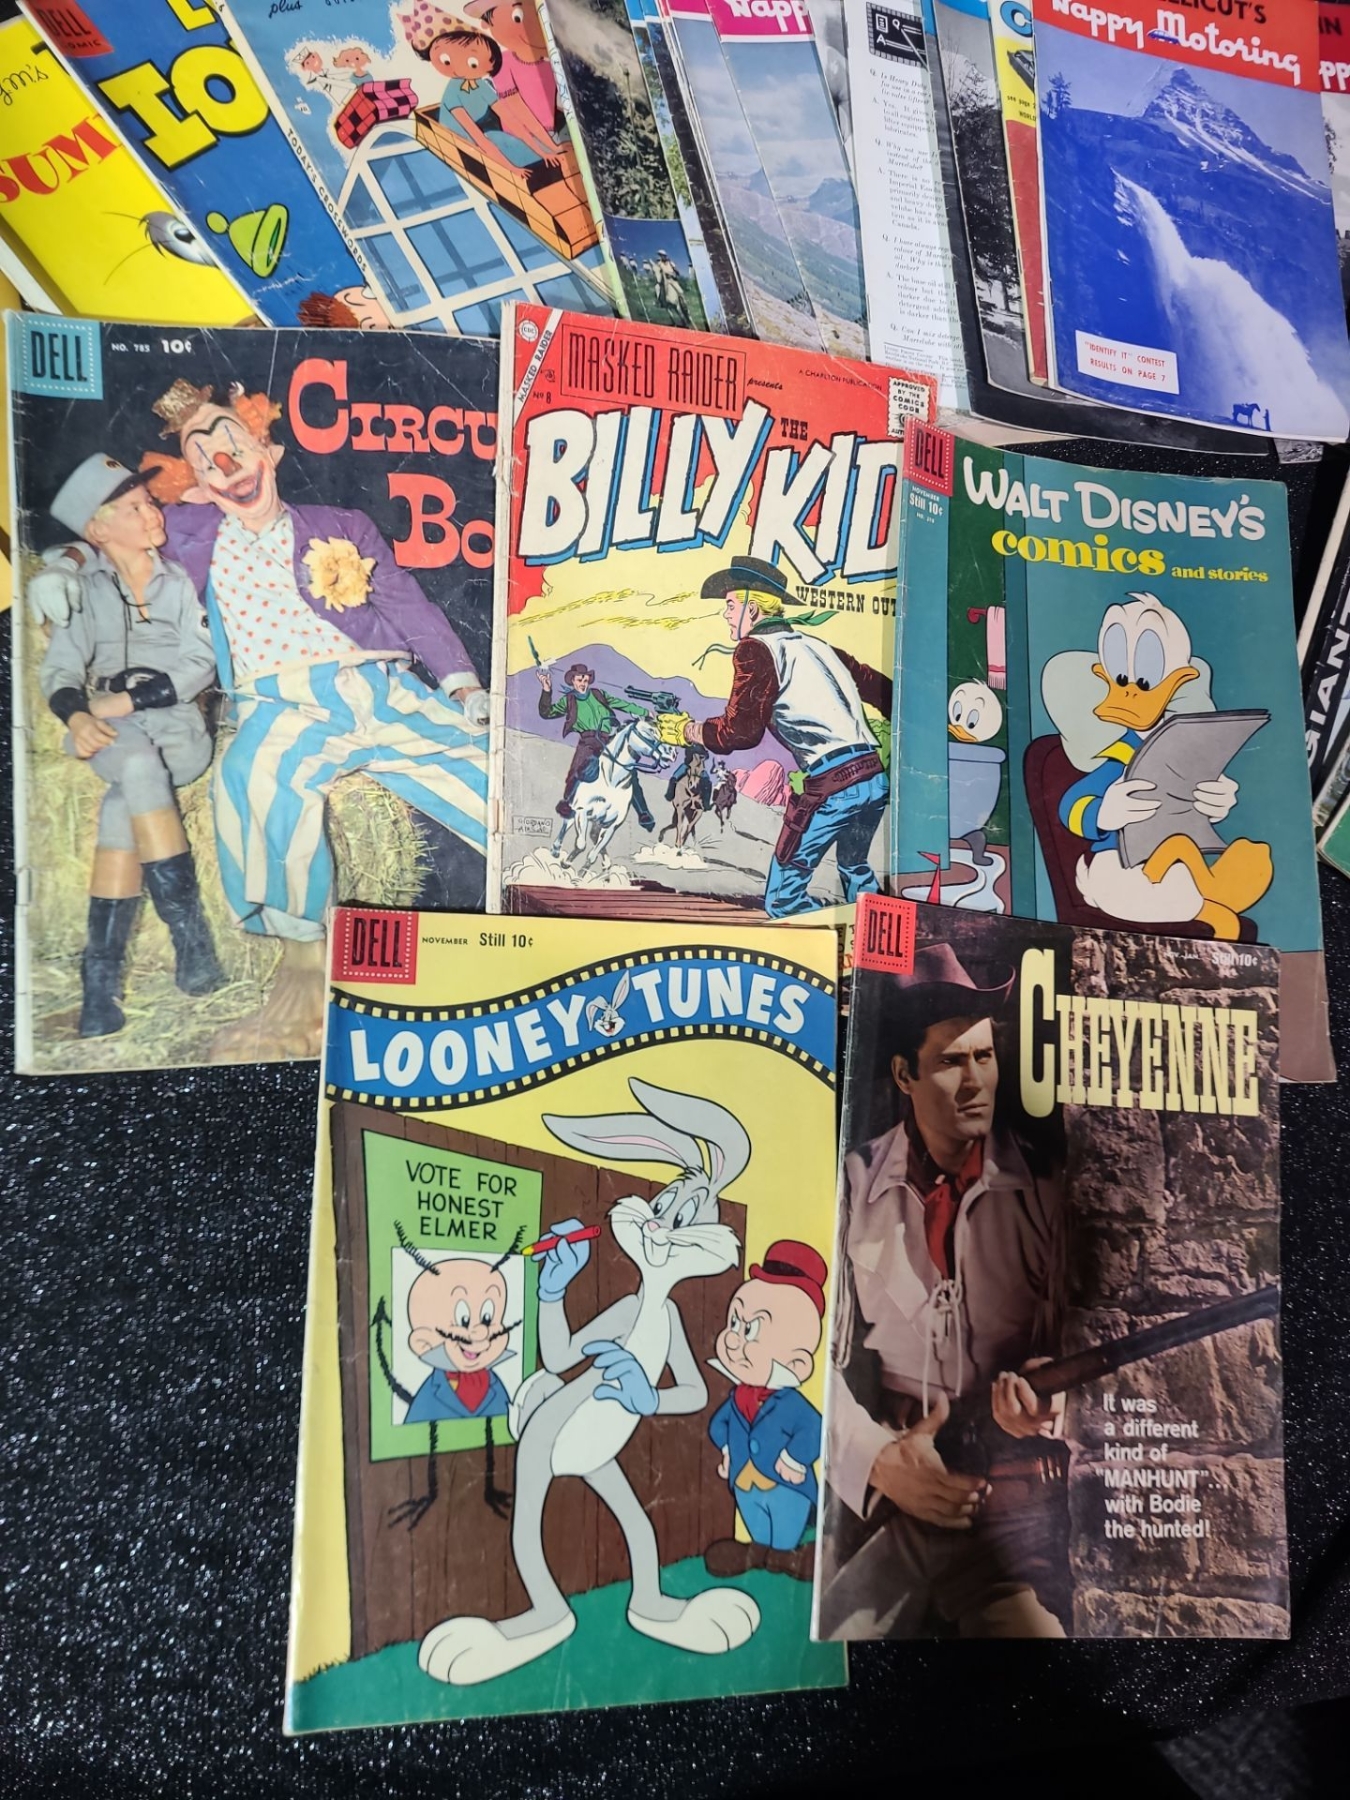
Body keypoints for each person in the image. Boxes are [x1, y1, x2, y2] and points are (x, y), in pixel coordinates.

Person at [28, 380, 490, 1064]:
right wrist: (62, 564)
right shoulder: (188, 532)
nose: (225, 463)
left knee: (486, 764)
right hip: (279, 701)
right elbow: (113, 533)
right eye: (204, 456)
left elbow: (407, 605)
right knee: (251, 775)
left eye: (233, 444)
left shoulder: (342, 524)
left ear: (267, 450)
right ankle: (303, 963)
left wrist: (462, 685)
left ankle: (568, 880)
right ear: (195, 483)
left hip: (379, 685)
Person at [819, 942, 1068, 1639]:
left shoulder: (1042, 1190)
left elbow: (1087, 1351)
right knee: (834, 1650)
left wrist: (1049, 1404)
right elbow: (800, 1357)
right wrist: (874, 1458)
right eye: (952, 1062)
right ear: (904, 1074)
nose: (975, 1082)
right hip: (884, 1502)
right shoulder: (852, 1187)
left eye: (984, 1057)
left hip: (1006, 1510)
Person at [36, 454, 225, 1038]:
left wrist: (119, 704)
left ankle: (100, 985)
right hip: (118, 739)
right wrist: (75, 716)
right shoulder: (82, 591)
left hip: (178, 729)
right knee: (136, 768)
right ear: (99, 530)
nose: (152, 513)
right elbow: (60, 671)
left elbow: (201, 662)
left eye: (149, 503)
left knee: (127, 796)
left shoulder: (179, 580)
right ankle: (190, 947)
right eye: (136, 508)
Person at [660, 555, 890, 917]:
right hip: (873, 778)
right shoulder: (819, 646)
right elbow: (886, 692)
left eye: (730, 605)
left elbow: (741, 731)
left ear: (752, 609)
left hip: (834, 785)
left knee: (784, 900)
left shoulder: (755, 649)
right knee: (855, 869)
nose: (725, 614)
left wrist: (687, 730)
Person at [704, 1240, 826, 1582]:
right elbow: (719, 1424)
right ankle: (761, 1553)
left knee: (784, 1528)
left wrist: (794, 1459)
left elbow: (815, 1429)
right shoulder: (737, 1397)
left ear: (798, 1363)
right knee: (758, 1524)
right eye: (734, 1323)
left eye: (751, 1330)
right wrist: (727, 1448)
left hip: (785, 1485)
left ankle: (783, 1554)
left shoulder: (791, 1403)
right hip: (744, 1482)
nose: (732, 1340)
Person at [536, 662, 655, 829]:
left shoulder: (598, 694)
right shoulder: (569, 700)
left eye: (585, 680)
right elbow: (546, 713)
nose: (583, 683)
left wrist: (643, 712)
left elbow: (621, 703)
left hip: (609, 739)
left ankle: (643, 812)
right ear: (573, 681)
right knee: (576, 770)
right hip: (588, 742)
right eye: (579, 680)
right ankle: (569, 803)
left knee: (628, 771)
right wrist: (546, 690)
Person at [403, 1256, 514, 1423]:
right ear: (424, 1343)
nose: (481, 1332)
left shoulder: (496, 1387)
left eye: (487, 1318)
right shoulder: (428, 1396)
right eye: (464, 1320)